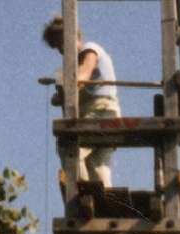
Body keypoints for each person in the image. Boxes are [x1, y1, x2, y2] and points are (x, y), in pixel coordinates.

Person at [43, 14, 121, 186]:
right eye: (58, 47)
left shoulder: (90, 49)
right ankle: (102, 204)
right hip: (102, 114)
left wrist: (70, 85)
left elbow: (85, 72)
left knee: (70, 147)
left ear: (75, 36)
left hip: (101, 111)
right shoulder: (72, 65)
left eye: (63, 42)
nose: (62, 49)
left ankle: (83, 191)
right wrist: (60, 95)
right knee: (97, 168)